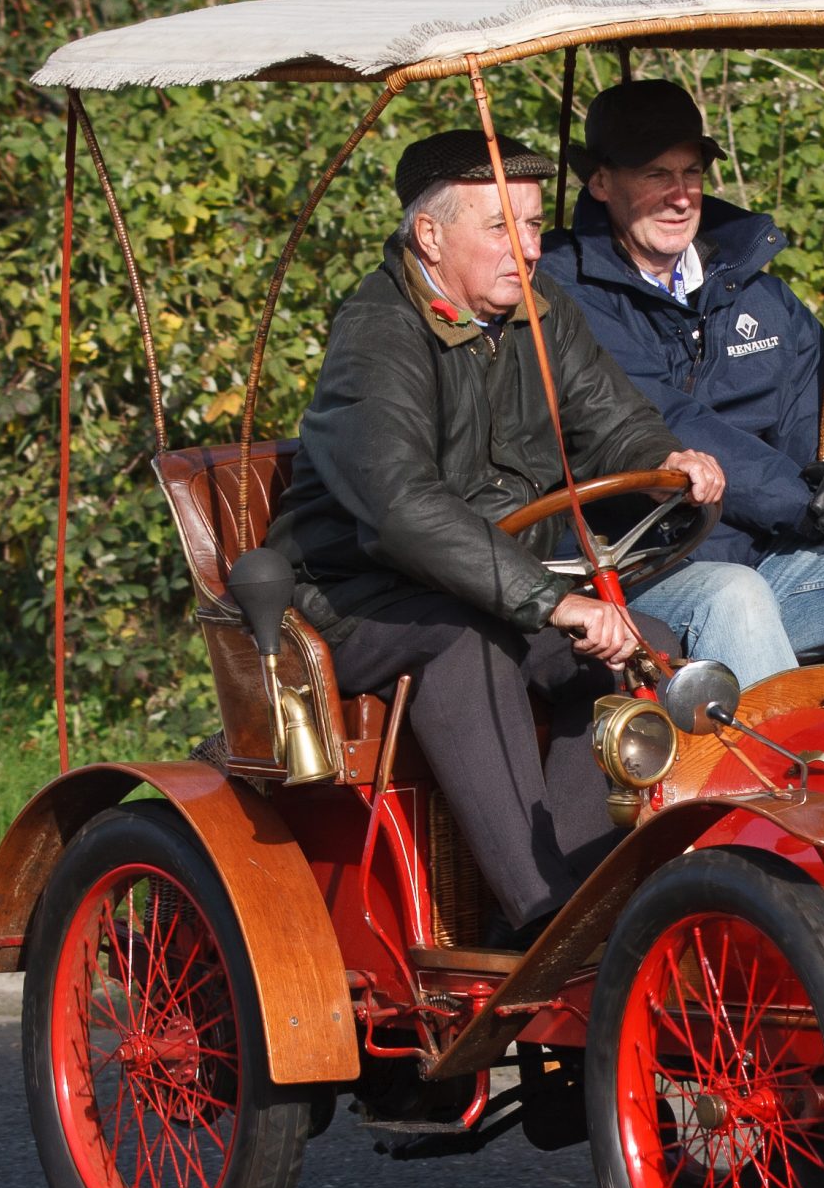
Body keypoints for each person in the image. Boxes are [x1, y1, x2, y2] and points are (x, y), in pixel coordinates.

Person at [266, 129, 725, 942]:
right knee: (469, 650)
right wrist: (552, 601)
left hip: (494, 580)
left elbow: (615, 424)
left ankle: (597, 888)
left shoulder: (544, 316)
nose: (527, 249)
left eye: (537, 225)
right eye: (499, 228)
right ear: (431, 236)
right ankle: (543, 920)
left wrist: (668, 459)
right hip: (356, 596)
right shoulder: (378, 333)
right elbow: (402, 507)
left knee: (639, 646)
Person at [535, 79, 824, 702]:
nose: (680, 196)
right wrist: (806, 506)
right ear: (601, 183)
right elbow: (666, 421)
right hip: (633, 570)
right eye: (656, 173)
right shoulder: (560, 291)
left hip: (767, 558)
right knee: (733, 595)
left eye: (691, 172)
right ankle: (793, 791)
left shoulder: (757, 292)